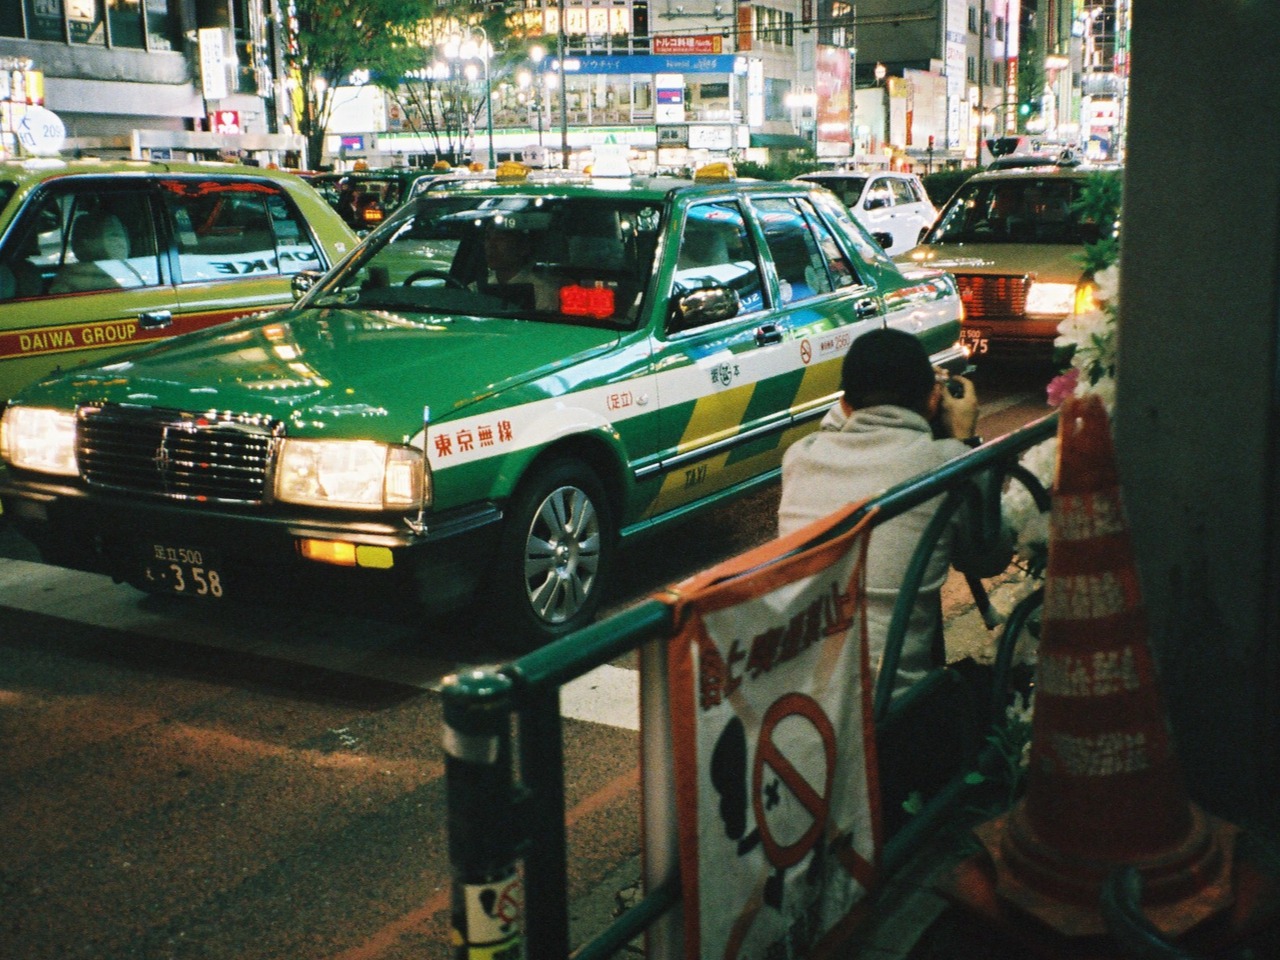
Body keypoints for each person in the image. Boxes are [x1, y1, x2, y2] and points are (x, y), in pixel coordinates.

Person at [777, 328, 1012, 701]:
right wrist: (966, 442)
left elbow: (835, 424)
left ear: (846, 404)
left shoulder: (799, 457)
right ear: (933, 400)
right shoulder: (948, 465)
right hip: (895, 706)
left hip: (802, 699)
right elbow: (989, 558)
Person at [481, 225, 560, 310]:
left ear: (523, 248)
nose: (491, 245)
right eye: (487, 238)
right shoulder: (476, 289)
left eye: (501, 238)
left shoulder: (541, 293)